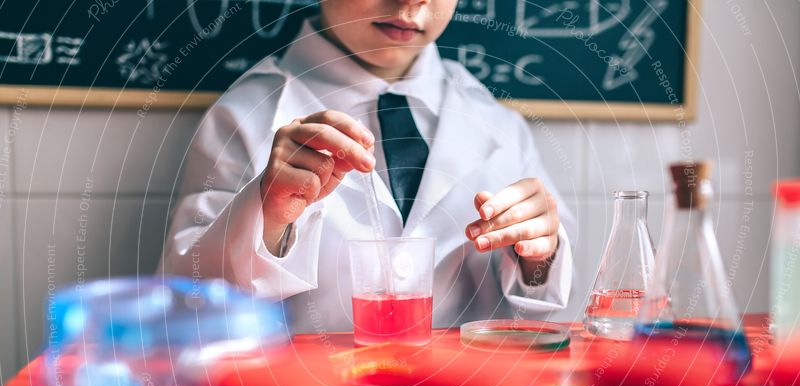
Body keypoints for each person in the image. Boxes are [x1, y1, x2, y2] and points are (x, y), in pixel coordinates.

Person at [160, 0, 575, 334]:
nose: (414, 2)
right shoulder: (244, 117)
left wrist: (537, 256)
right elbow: (187, 297)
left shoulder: (499, 123)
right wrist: (264, 217)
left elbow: (541, 302)